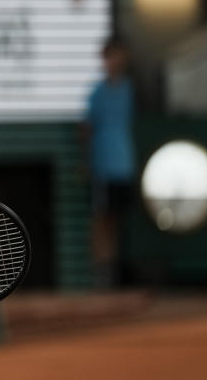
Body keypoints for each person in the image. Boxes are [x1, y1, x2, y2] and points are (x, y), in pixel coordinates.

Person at [83, 35, 135, 287]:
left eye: (118, 55)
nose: (115, 61)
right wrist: (87, 162)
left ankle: (114, 273)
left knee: (116, 220)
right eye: (110, 56)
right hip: (102, 167)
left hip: (124, 166)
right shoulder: (97, 93)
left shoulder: (128, 89)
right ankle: (101, 275)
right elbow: (86, 128)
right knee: (101, 219)